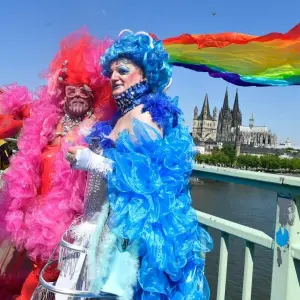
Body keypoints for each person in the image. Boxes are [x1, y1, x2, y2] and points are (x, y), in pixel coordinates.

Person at [68, 31, 213, 299]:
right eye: (111, 72)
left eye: (123, 70)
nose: (114, 77)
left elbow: (145, 181)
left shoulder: (146, 115)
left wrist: (92, 161)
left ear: (145, 75)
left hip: (136, 236)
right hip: (117, 222)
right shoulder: (128, 114)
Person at [0, 28, 116, 300]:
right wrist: (50, 91)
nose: (76, 94)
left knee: (53, 282)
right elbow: (7, 115)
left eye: (84, 90)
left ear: (94, 95)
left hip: (69, 223)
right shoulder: (46, 121)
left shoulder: (95, 128)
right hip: (33, 218)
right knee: (37, 277)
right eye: (71, 89)